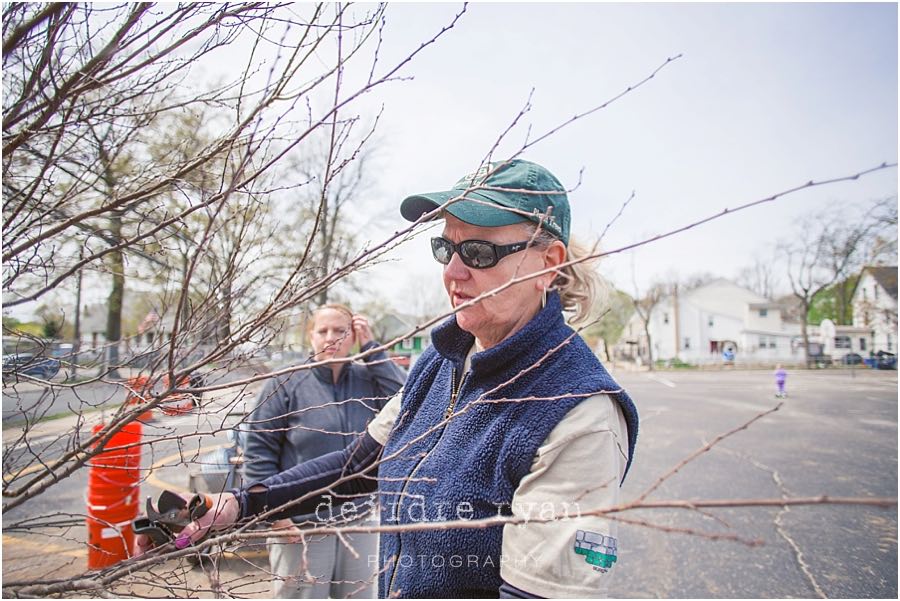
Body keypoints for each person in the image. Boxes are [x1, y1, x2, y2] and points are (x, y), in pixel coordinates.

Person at [152, 159, 639, 598]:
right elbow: (357, 466)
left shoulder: (579, 412)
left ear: (548, 265)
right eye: (444, 247)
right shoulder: (443, 360)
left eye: (479, 252)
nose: (453, 273)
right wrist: (236, 505)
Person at [242, 305, 406, 598]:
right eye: (323, 331)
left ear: (354, 335)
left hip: (358, 522)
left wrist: (373, 350)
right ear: (311, 336)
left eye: (341, 331)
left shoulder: (368, 379)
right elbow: (258, 452)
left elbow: (405, 402)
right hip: (301, 527)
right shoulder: (285, 383)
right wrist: (275, 515)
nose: (331, 338)